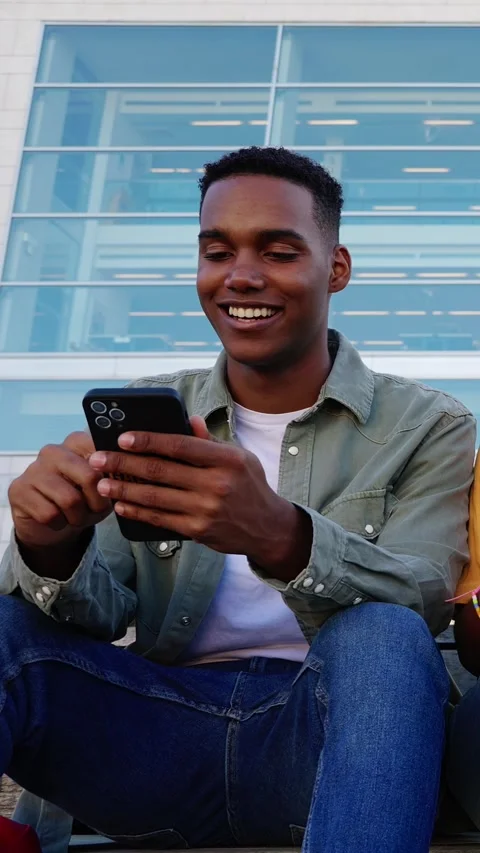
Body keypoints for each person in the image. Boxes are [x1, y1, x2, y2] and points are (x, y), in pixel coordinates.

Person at [0, 147, 475, 853]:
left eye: (279, 251)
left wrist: (281, 534)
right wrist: (49, 542)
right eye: (217, 251)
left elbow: (424, 596)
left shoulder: (428, 424)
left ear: (335, 268)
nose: (241, 276)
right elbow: (95, 618)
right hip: (156, 731)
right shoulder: (155, 412)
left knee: (384, 634)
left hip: (328, 741)